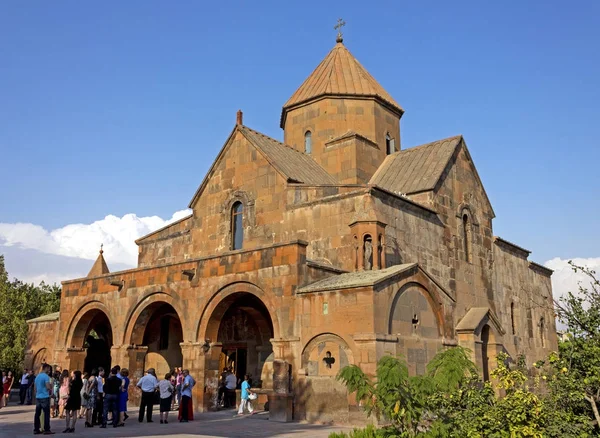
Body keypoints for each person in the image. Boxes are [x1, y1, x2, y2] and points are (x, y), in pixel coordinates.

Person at [33, 363, 54, 435]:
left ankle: (36, 429)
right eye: (48, 368)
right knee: (46, 414)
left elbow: (35, 388)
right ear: (46, 368)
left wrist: (37, 394)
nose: (49, 370)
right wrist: (51, 386)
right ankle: (47, 429)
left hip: (38, 397)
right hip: (45, 397)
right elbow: (48, 387)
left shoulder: (37, 376)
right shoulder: (46, 377)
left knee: (37, 414)